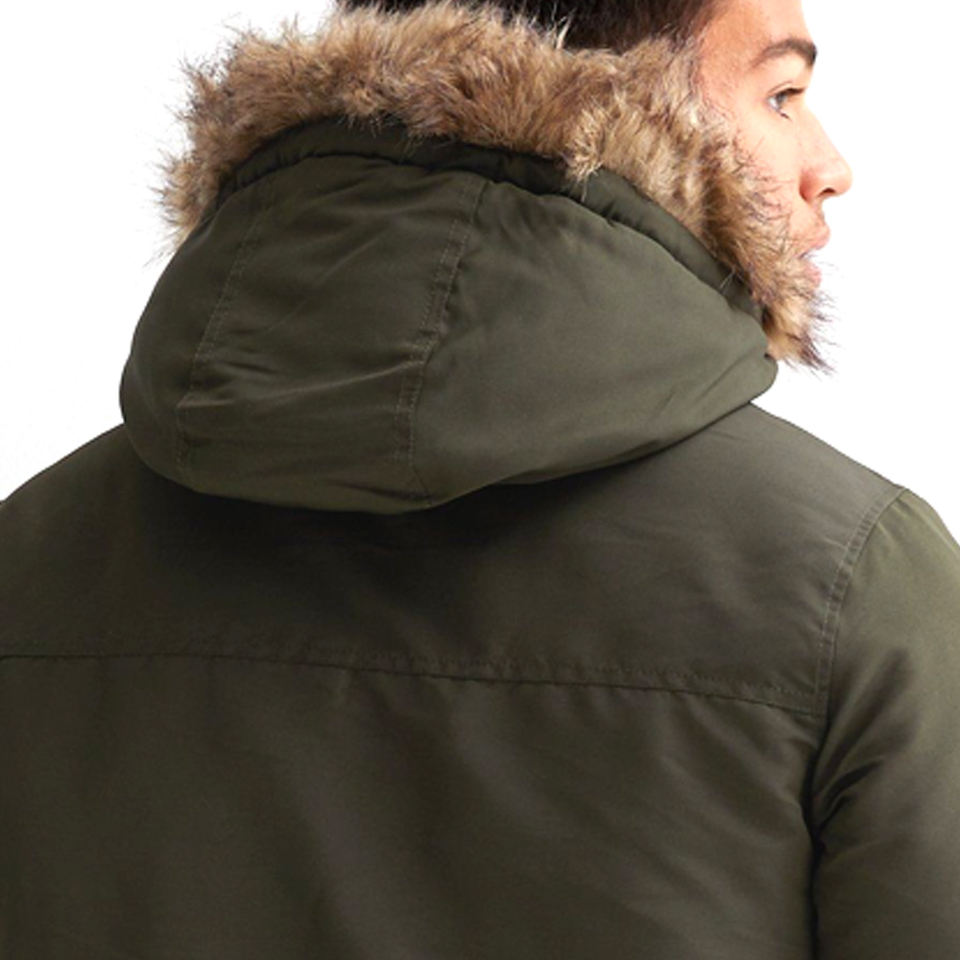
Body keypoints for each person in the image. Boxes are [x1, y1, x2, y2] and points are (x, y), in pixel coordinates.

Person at [1, 0, 957, 955]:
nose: (831, 165)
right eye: (782, 95)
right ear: (622, 97)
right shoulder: (856, 583)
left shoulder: (30, 557)